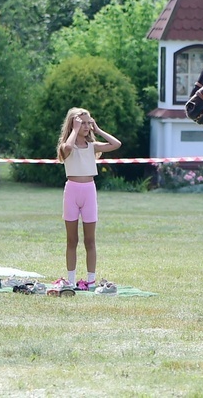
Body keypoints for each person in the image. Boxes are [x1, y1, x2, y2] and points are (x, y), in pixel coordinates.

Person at [56, 107, 121, 290]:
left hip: (89, 192)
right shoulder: (67, 145)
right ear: (74, 124)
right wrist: (74, 130)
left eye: (88, 122)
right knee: (72, 240)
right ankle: (71, 280)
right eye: (82, 122)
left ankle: (91, 281)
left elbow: (116, 144)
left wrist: (98, 130)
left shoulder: (92, 146)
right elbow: (67, 148)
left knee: (90, 240)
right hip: (72, 192)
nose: (86, 126)